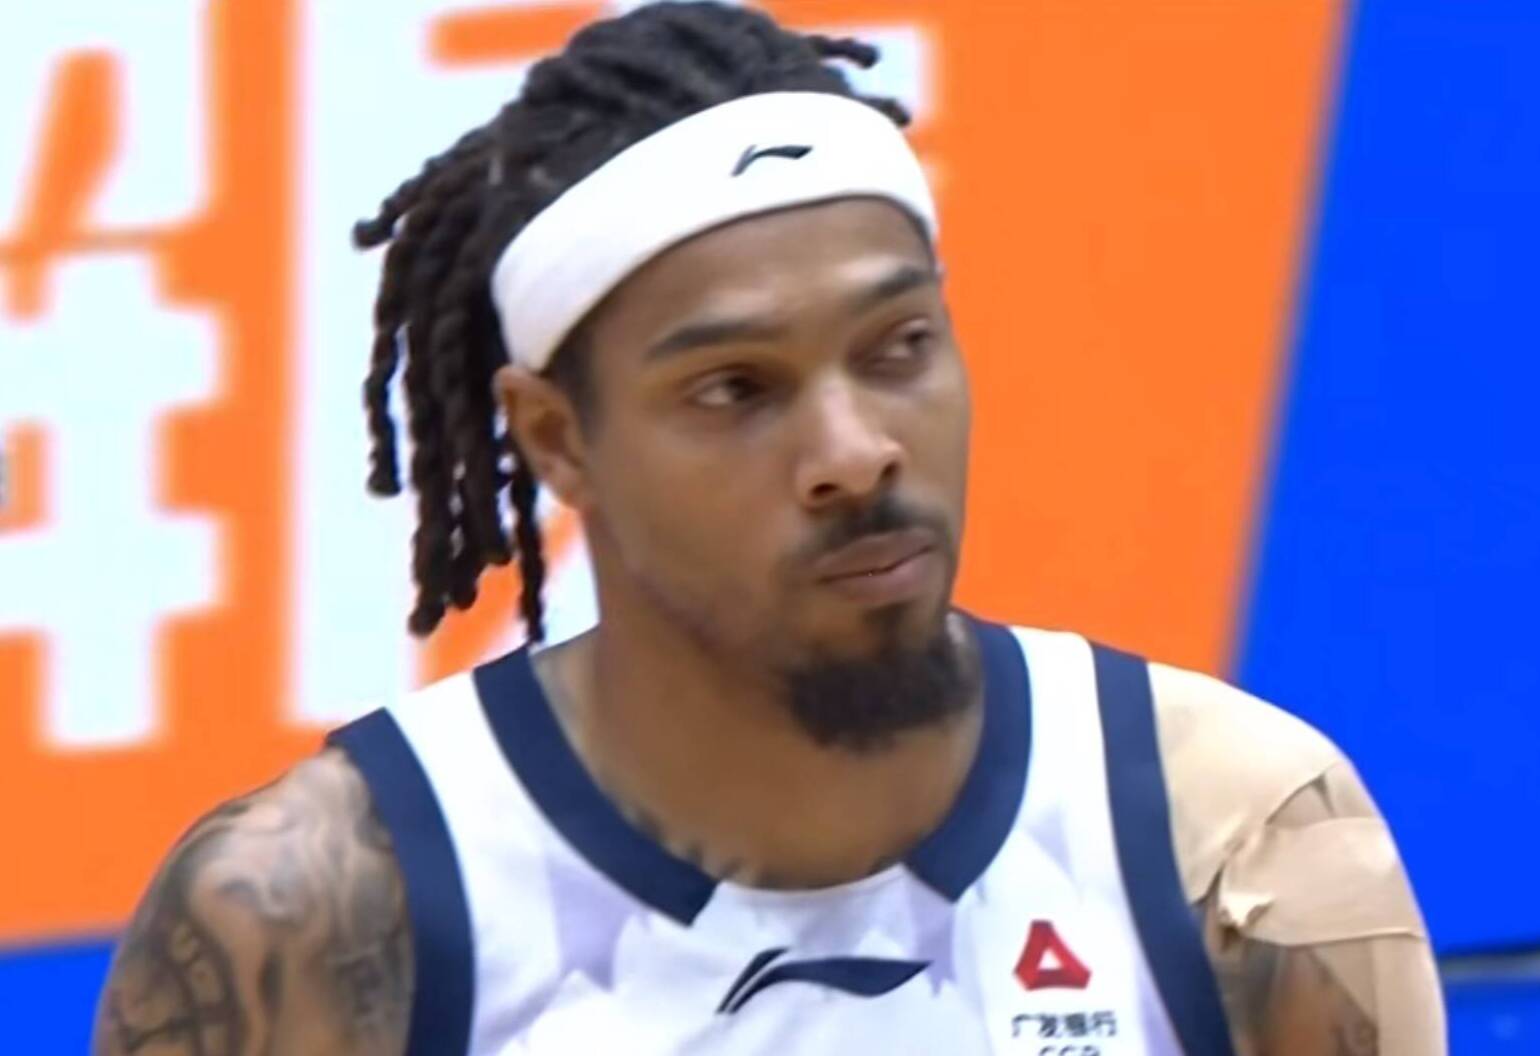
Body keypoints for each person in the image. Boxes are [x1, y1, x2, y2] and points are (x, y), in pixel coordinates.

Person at [93, 4, 1444, 1053]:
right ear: (557, 437)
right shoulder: (313, 917)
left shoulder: (1235, 838)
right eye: (736, 389)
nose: (854, 453)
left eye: (899, 346)